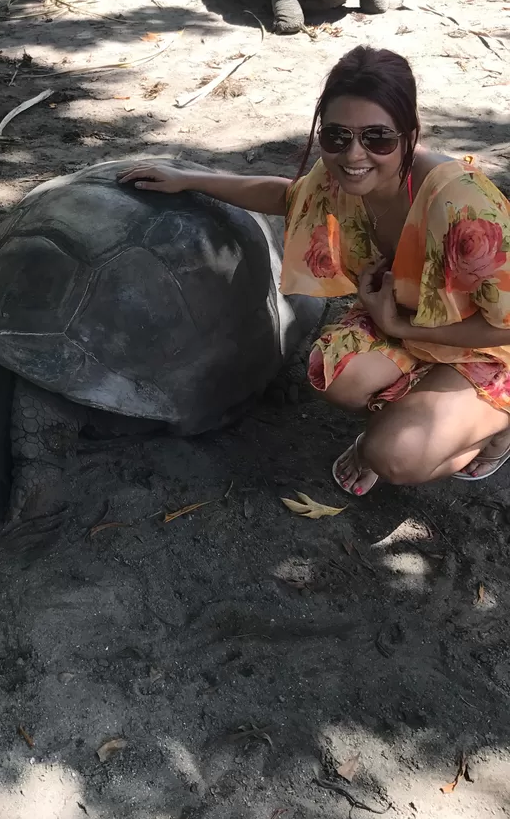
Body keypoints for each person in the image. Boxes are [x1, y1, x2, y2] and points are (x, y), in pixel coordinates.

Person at [118, 45, 510, 496]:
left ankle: (495, 433)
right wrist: (190, 179)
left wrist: (396, 325)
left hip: (488, 342)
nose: (354, 154)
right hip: (406, 317)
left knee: (396, 456)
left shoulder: (461, 203)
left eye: (378, 138)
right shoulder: (340, 174)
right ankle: (421, 411)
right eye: (336, 136)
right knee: (338, 376)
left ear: (409, 134)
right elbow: (288, 197)